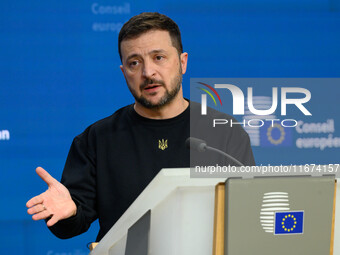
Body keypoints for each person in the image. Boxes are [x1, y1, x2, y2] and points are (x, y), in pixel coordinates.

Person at [26, 12, 255, 241]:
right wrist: (69, 212)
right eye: (134, 63)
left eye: (159, 58)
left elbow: (247, 216)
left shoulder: (225, 132)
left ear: (183, 62)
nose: (148, 73)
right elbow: (71, 221)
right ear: (124, 72)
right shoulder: (97, 138)